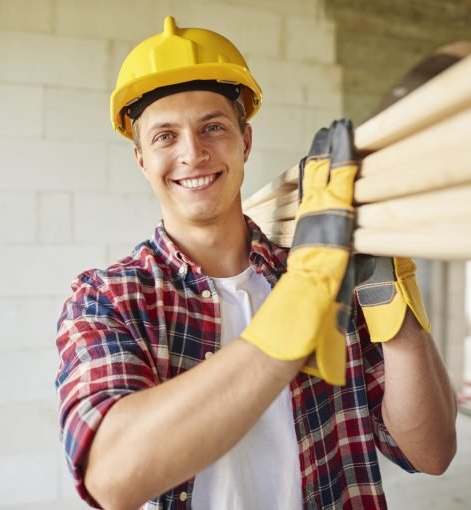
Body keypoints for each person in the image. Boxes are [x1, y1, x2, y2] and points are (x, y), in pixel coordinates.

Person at [55, 16, 457, 510]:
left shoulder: (325, 272)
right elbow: (111, 478)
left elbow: (432, 453)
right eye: (164, 137)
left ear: (245, 142)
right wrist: (303, 297)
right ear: (141, 159)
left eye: (213, 128)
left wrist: (384, 292)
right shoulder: (108, 299)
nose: (193, 153)